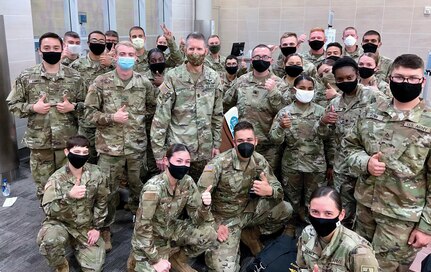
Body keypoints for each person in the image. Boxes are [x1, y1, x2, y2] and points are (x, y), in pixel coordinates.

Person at [343, 54, 431, 271]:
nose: (405, 83)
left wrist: (427, 226)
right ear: (390, 78)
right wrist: (365, 163)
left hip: (401, 218)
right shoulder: (371, 112)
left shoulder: (428, 122)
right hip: (365, 207)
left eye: (412, 78)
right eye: (399, 77)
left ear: (423, 81)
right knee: (358, 262)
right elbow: (349, 147)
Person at [85, 41, 157, 252]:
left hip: (136, 148)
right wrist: (111, 117)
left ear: (136, 58)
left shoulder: (144, 83)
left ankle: (140, 221)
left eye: (131, 54)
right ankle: (105, 229)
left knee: (138, 187)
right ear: (115, 56)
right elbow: (88, 114)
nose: (127, 57)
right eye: (122, 53)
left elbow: (154, 108)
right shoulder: (101, 82)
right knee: (107, 191)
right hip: (110, 149)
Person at [197, 121, 292, 271]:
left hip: (249, 211)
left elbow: (278, 190)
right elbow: (197, 202)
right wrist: (214, 225)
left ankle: (250, 234)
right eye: (240, 141)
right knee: (222, 269)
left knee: (285, 209)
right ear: (234, 142)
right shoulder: (217, 165)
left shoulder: (259, 160)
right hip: (224, 220)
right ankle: (238, 236)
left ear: (255, 141)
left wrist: (270, 191)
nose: (245, 144)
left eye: (249, 140)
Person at [6, 32, 84, 201]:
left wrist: (73, 107)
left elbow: (88, 106)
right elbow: (12, 105)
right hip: (40, 145)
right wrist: (33, 107)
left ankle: (68, 220)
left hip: (68, 143)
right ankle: (50, 220)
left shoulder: (75, 77)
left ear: (62, 48)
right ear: (39, 50)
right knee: (44, 186)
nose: (52, 51)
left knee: (70, 183)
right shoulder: (27, 76)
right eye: (47, 48)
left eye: (56, 48)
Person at [128, 144, 217, 272]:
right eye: (179, 161)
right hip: (151, 239)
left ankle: (177, 259)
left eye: (187, 162)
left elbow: (197, 220)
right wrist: (156, 260)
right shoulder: (153, 189)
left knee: (209, 234)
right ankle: (136, 262)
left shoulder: (187, 182)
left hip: (171, 229)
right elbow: (142, 228)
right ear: (166, 161)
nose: (183, 166)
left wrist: (205, 206)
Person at [151, 32, 223, 182]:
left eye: (199, 49)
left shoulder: (213, 77)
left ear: (206, 51)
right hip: (178, 150)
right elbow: (161, 117)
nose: (195, 53)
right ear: (185, 50)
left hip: (204, 150)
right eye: (191, 49)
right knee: (176, 192)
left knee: (201, 191)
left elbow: (217, 114)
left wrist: (216, 143)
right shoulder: (173, 77)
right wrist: (159, 153)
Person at [318, 56, 381, 229]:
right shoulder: (334, 103)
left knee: (366, 216)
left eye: (349, 78)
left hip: (366, 169)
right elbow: (323, 134)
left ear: (357, 75)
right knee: (344, 213)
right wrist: (323, 122)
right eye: (340, 79)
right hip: (343, 168)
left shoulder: (373, 97)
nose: (345, 81)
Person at [36, 135, 109, 272]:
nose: (81, 156)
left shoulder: (96, 174)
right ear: (66, 152)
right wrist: (69, 196)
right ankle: (61, 265)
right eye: (76, 152)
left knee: (95, 268)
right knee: (49, 241)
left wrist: (97, 228)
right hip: (61, 223)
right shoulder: (56, 179)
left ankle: (77, 245)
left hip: (84, 225)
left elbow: (102, 201)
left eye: (84, 153)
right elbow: (49, 210)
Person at [269, 75, 329, 234]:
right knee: (291, 198)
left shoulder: (321, 112)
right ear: (294, 89)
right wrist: (281, 127)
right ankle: (290, 225)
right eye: (302, 88)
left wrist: (331, 164)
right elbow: (274, 139)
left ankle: (313, 228)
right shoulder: (285, 112)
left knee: (314, 200)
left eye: (310, 88)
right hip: (292, 164)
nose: (306, 91)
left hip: (316, 165)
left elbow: (329, 139)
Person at [224, 44, 287, 172]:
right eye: (257, 57)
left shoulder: (279, 84)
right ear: (252, 60)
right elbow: (226, 103)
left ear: (271, 60)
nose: (261, 59)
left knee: (266, 181)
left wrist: (274, 93)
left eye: (265, 57)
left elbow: (284, 113)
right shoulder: (242, 81)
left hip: (268, 146)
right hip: (243, 143)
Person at [296, 186, 379, 271]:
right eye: (315, 212)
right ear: (309, 210)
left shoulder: (359, 251)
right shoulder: (307, 233)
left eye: (328, 213)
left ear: (341, 215)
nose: (321, 219)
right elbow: (302, 266)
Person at [70, 30, 114, 164]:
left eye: (102, 42)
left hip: (109, 123)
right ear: (88, 43)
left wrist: (112, 64)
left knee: (109, 162)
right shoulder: (76, 66)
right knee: (87, 160)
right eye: (94, 41)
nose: (98, 44)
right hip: (87, 123)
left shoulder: (112, 66)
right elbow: (71, 96)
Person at [142, 48, 166, 182]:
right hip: (149, 124)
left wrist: (163, 84)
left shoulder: (171, 76)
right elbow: (151, 100)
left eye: (160, 60)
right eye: (153, 61)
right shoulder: (143, 78)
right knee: (151, 157)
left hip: (168, 125)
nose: (157, 62)